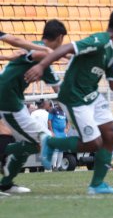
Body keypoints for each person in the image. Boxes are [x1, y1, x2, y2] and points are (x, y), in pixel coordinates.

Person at [25, 8, 113, 194]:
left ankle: (97, 184)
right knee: (94, 143)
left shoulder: (111, 53)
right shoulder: (98, 40)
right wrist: (42, 65)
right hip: (74, 97)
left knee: (110, 134)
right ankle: (52, 143)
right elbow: (66, 48)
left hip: (92, 96)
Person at [0, 20, 67, 195]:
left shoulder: (44, 57)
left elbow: (59, 89)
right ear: (60, 37)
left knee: (33, 144)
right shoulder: (39, 50)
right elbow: (33, 53)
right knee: (43, 136)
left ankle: (6, 183)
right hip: (6, 99)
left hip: (14, 99)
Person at [48, 103, 69, 171]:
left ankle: (59, 166)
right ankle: (54, 166)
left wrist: (67, 129)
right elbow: (49, 121)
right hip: (55, 132)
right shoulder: (53, 110)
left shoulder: (65, 111)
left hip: (62, 133)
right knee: (56, 150)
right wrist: (51, 131)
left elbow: (68, 121)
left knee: (61, 150)